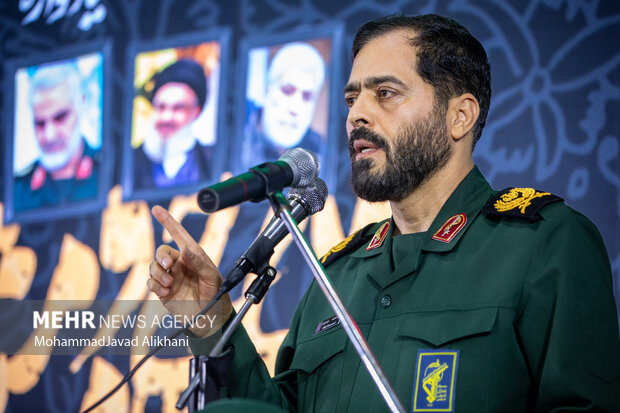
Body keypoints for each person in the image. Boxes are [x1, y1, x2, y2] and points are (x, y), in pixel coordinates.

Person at [147, 14, 620, 412]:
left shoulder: (545, 244)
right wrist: (211, 321)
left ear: (460, 116)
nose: (356, 115)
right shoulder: (337, 274)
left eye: (386, 93)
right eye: (352, 98)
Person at [13, 62, 100, 212]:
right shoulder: (16, 190)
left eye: (60, 118)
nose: (49, 135)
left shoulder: (111, 171)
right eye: (40, 123)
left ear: (81, 103)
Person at [241, 42, 326, 168]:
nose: (295, 108)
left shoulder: (320, 153)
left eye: (306, 96)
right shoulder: (239, 137)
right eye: (287, 91)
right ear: (267, 90)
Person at [133, 59, 213, 190]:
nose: (166, 117)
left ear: (196, 112)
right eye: (161, 107)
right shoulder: (129, 163)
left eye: (178, 108)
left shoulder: (212, 161)